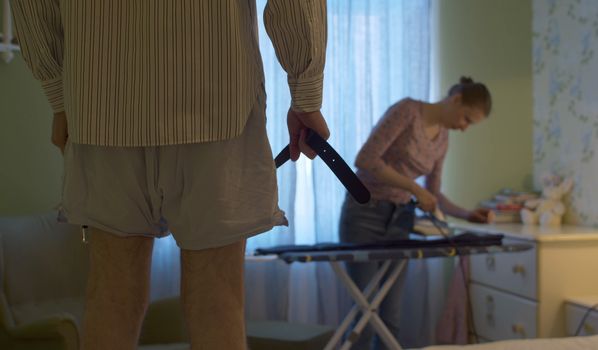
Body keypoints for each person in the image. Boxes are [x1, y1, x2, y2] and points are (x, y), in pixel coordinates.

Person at [11, 0, 329, 349]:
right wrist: (306, 94)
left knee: (112, 292)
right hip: (217, 95)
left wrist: (58, 95)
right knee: (217, 291)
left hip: (100, 96)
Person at [338, 77, 493, 349]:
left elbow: (432, 195)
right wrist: (412, 187)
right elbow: (365, 159)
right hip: (365, 212)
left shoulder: (442, 139)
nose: (464, 128)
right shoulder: (407, 111)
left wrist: (469, 215)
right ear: (455, 99)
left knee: (390, 315)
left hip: (400, 220)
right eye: (466, 119)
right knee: (364, 311)